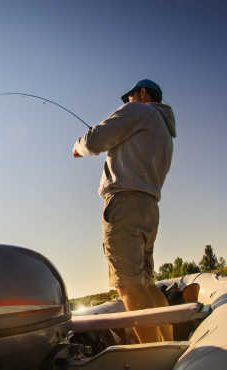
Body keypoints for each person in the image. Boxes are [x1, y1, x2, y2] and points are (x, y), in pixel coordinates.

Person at [71, 79, 177, 342]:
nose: (125, 103)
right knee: (147, 285)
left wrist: (77, 147)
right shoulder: (164, 131)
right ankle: (171, 345)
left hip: (125, 206)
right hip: (149, 208)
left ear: (141, 94)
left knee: (128, 287)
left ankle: (155, 363)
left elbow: (94, 141)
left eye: (128, 98)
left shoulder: (139, 110)